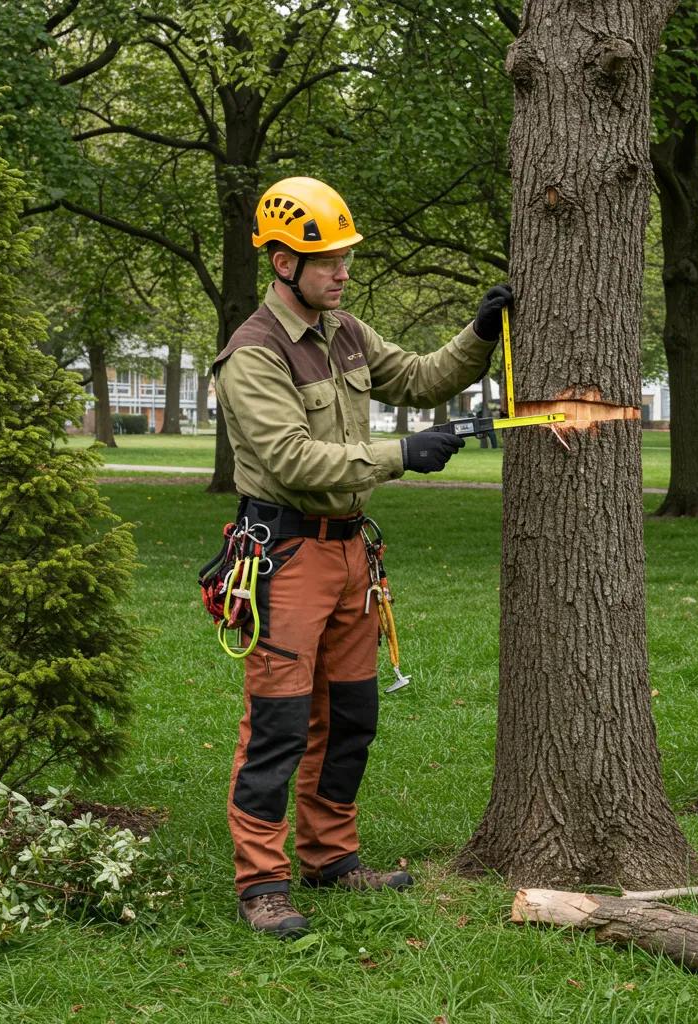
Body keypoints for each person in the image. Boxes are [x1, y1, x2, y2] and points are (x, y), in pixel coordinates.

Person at [212, 176, 512, 938]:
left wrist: (478, 334)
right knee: (279, 724)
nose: (344, 270)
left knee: (351, 716)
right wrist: (402, 454)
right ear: (282, 263)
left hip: (350, 557)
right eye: (328, 258)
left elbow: (416, 377)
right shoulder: (252, 353)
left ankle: (331, 858)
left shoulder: (344, 329)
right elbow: (290, 459)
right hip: (284, 555)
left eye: (346, 256)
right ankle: (262, 884)